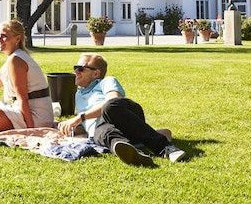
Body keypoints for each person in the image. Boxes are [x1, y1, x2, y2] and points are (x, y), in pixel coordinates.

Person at [57, 53, 186, 167]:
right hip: (105, 129)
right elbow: (87, 125)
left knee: (109, 107)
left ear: (96, 73)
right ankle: (132, 151)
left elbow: (113, 101)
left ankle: (166, 148)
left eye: (80, 69)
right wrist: (68, 126)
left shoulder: (107, 81)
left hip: (124, 115)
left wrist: (80, 117)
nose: (76, 72)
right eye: (75, 69)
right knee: (100, 132)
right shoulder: (78, 95)